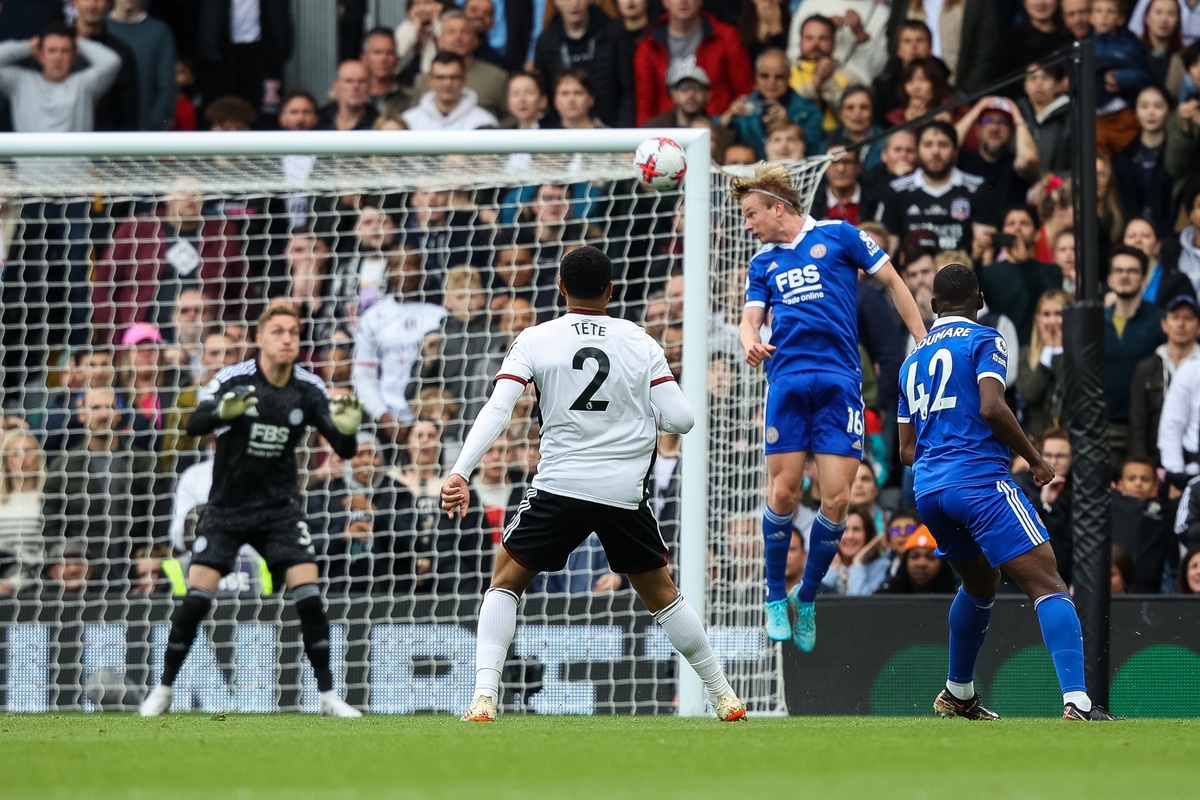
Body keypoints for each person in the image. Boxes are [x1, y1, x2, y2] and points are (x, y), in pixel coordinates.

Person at [442, 246, 746, 723]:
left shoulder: (536, 339)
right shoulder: (640, 341)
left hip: (561, 485)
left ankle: (484, 697)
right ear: (611, 290)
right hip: (623, 493)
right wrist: (646, 414)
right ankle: (724, 694)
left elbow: (500, 408)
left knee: (504, 582)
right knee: (664, 595)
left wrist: (460, 470)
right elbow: (683, 419)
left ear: (560, 288)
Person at [897, 263, 1121, 721]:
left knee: (979, 582)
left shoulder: (911, 361)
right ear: (979, 300)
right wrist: (1036, 459)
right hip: (979, 481)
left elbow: (905, 450)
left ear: (934, 307)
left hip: (929, 490)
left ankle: (958, 694)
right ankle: (1078, 702)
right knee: (1047, 582)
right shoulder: (985, 339)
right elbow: (993, 406)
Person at [734, 163, 926, 651]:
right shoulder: (763, 263)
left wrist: (922, 340)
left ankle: (810, 597)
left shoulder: (841, 236)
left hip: (841, 384)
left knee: (838, 500)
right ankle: (775, 597)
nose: (749, 223)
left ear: (779, 207)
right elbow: (749, 319)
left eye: (752, 213)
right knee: (782, 494)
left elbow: (894, 283)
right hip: (788, 382)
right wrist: (751, 341)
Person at [138, 305, 364, 718]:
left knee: (309, 595)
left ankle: (329, 695)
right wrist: (222, 412)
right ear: (260, 339)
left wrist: (347, 430)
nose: (287, 339)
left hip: (280, 508)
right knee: (196, 598)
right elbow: (193, 423)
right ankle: (165, 689)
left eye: (293, 332)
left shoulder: (309, 388)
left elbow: (345, 450)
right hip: (227, 507)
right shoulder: (233, 380)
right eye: (277, 331)